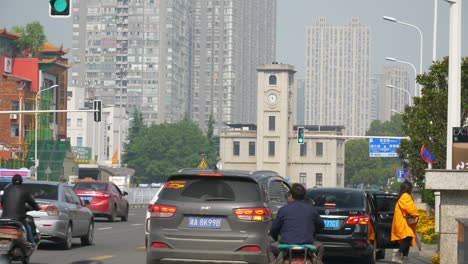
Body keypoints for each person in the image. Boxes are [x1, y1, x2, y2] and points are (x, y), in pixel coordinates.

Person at [269, 183, 325, 263]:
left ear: (291, 196)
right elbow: (321, 226)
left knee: (270, 248)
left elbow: (274, 229)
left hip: (286, 244)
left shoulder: (284, 210)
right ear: (304, 196)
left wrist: (275, 237)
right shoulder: (311, 209)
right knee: (320, 246)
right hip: (307, 244)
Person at [1, 174, 40, 246]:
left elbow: (3, 203)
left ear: (12, 181)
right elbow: (32, 203)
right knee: (28, 226)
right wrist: (37, 208)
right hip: (19, 219)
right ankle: (32, 243)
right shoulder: (24, 191)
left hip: (5, 219)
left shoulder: (6, 190)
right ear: (21, 182)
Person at [391, 180, 420, 263]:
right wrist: (416, 214)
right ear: (409, 189)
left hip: (400, 221)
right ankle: (398, 253)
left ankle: (404, 256)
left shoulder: (401, 196)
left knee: (405, 239)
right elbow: (410, 208)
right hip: (404, 222)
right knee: (408, 237)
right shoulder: (406, 196)